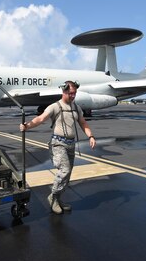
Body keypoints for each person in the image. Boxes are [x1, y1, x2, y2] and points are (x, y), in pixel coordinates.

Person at [19, 81, 96, 214]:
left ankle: (58, 199)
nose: (73, 96)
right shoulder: (54, 107)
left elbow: (83, 123)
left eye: (74, 93)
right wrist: (26, 126)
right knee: (64, 170)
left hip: (71, 144)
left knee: (67, 175)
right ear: (64, 91)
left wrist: (91, 136)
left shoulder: (76, 107)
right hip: (58, 144)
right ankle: (53, 197)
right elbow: (40, 119)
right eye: (71, 93)